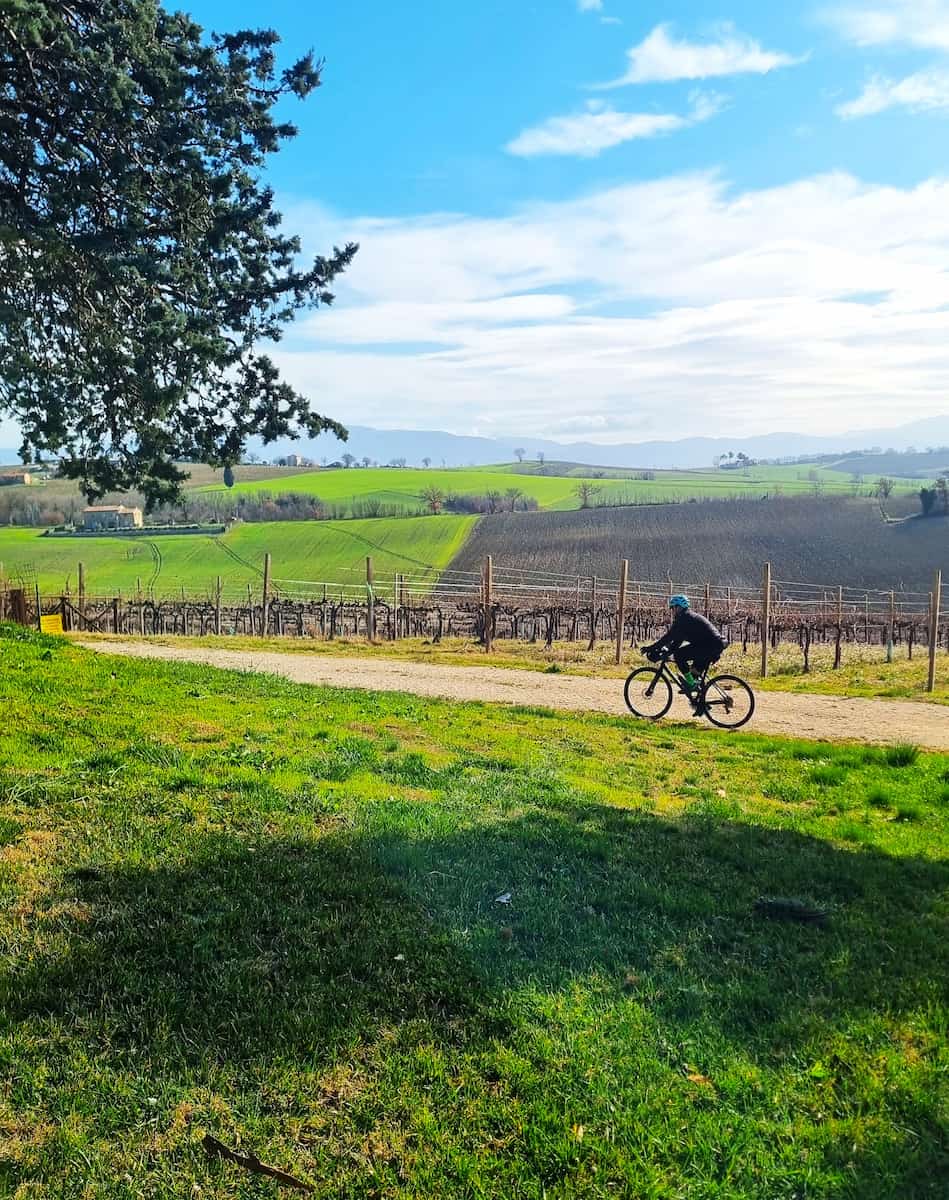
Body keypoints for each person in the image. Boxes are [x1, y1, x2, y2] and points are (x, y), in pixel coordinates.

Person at [643, 595, 728, 696]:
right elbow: (677, 641)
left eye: (673, 608)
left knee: (679, 655)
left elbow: (669, 637)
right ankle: (700, 703)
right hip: (713, 645)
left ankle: (692, 685)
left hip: (710, 645)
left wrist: (651, 647)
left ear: (678, 607)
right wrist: (667, 650)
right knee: (693, 673)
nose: (672, 611)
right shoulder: (688, 617)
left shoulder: (684, 618)